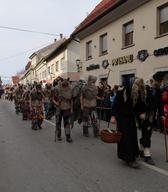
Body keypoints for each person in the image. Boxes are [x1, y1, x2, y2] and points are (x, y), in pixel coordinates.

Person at [111, 78, 147, 168]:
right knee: (126, 137)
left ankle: (132, 155)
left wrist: (141, 113)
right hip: (122, 117)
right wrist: (113, 116)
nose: (138, 88)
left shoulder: (137, 93)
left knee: (133, 136)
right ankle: (129, 159)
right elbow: (115, 105)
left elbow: (138, 106)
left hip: (131, 118)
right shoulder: (122, 91)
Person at [138, 73, 165, 165]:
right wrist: (140, 112)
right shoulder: (144, 89)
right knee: (147, 133)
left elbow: (160, 104)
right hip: (143, 115)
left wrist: (162, 114)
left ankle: (141, 150)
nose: (161, 83)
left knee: (148, 133)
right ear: (154, 80)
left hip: (152, 115)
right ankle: (147, 155)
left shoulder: (158, 91)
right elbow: (139, 101)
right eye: (160, 81)